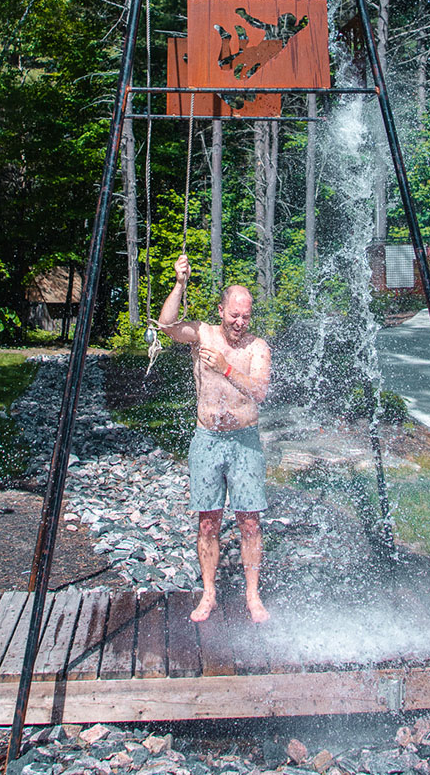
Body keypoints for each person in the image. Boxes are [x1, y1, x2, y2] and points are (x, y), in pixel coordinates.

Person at [158, 254, 272, 623]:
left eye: (246, 316)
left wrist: (224, 368)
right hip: (207, 439)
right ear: (222, 310)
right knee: (208, 521)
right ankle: (209, 594)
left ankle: (253, 596)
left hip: (244, 441)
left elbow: (259, 392)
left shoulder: (257, 348)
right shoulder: (203, 334)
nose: (240, 322)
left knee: (249, 521)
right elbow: (167, 325)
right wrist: (179, 282)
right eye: (234, 314)